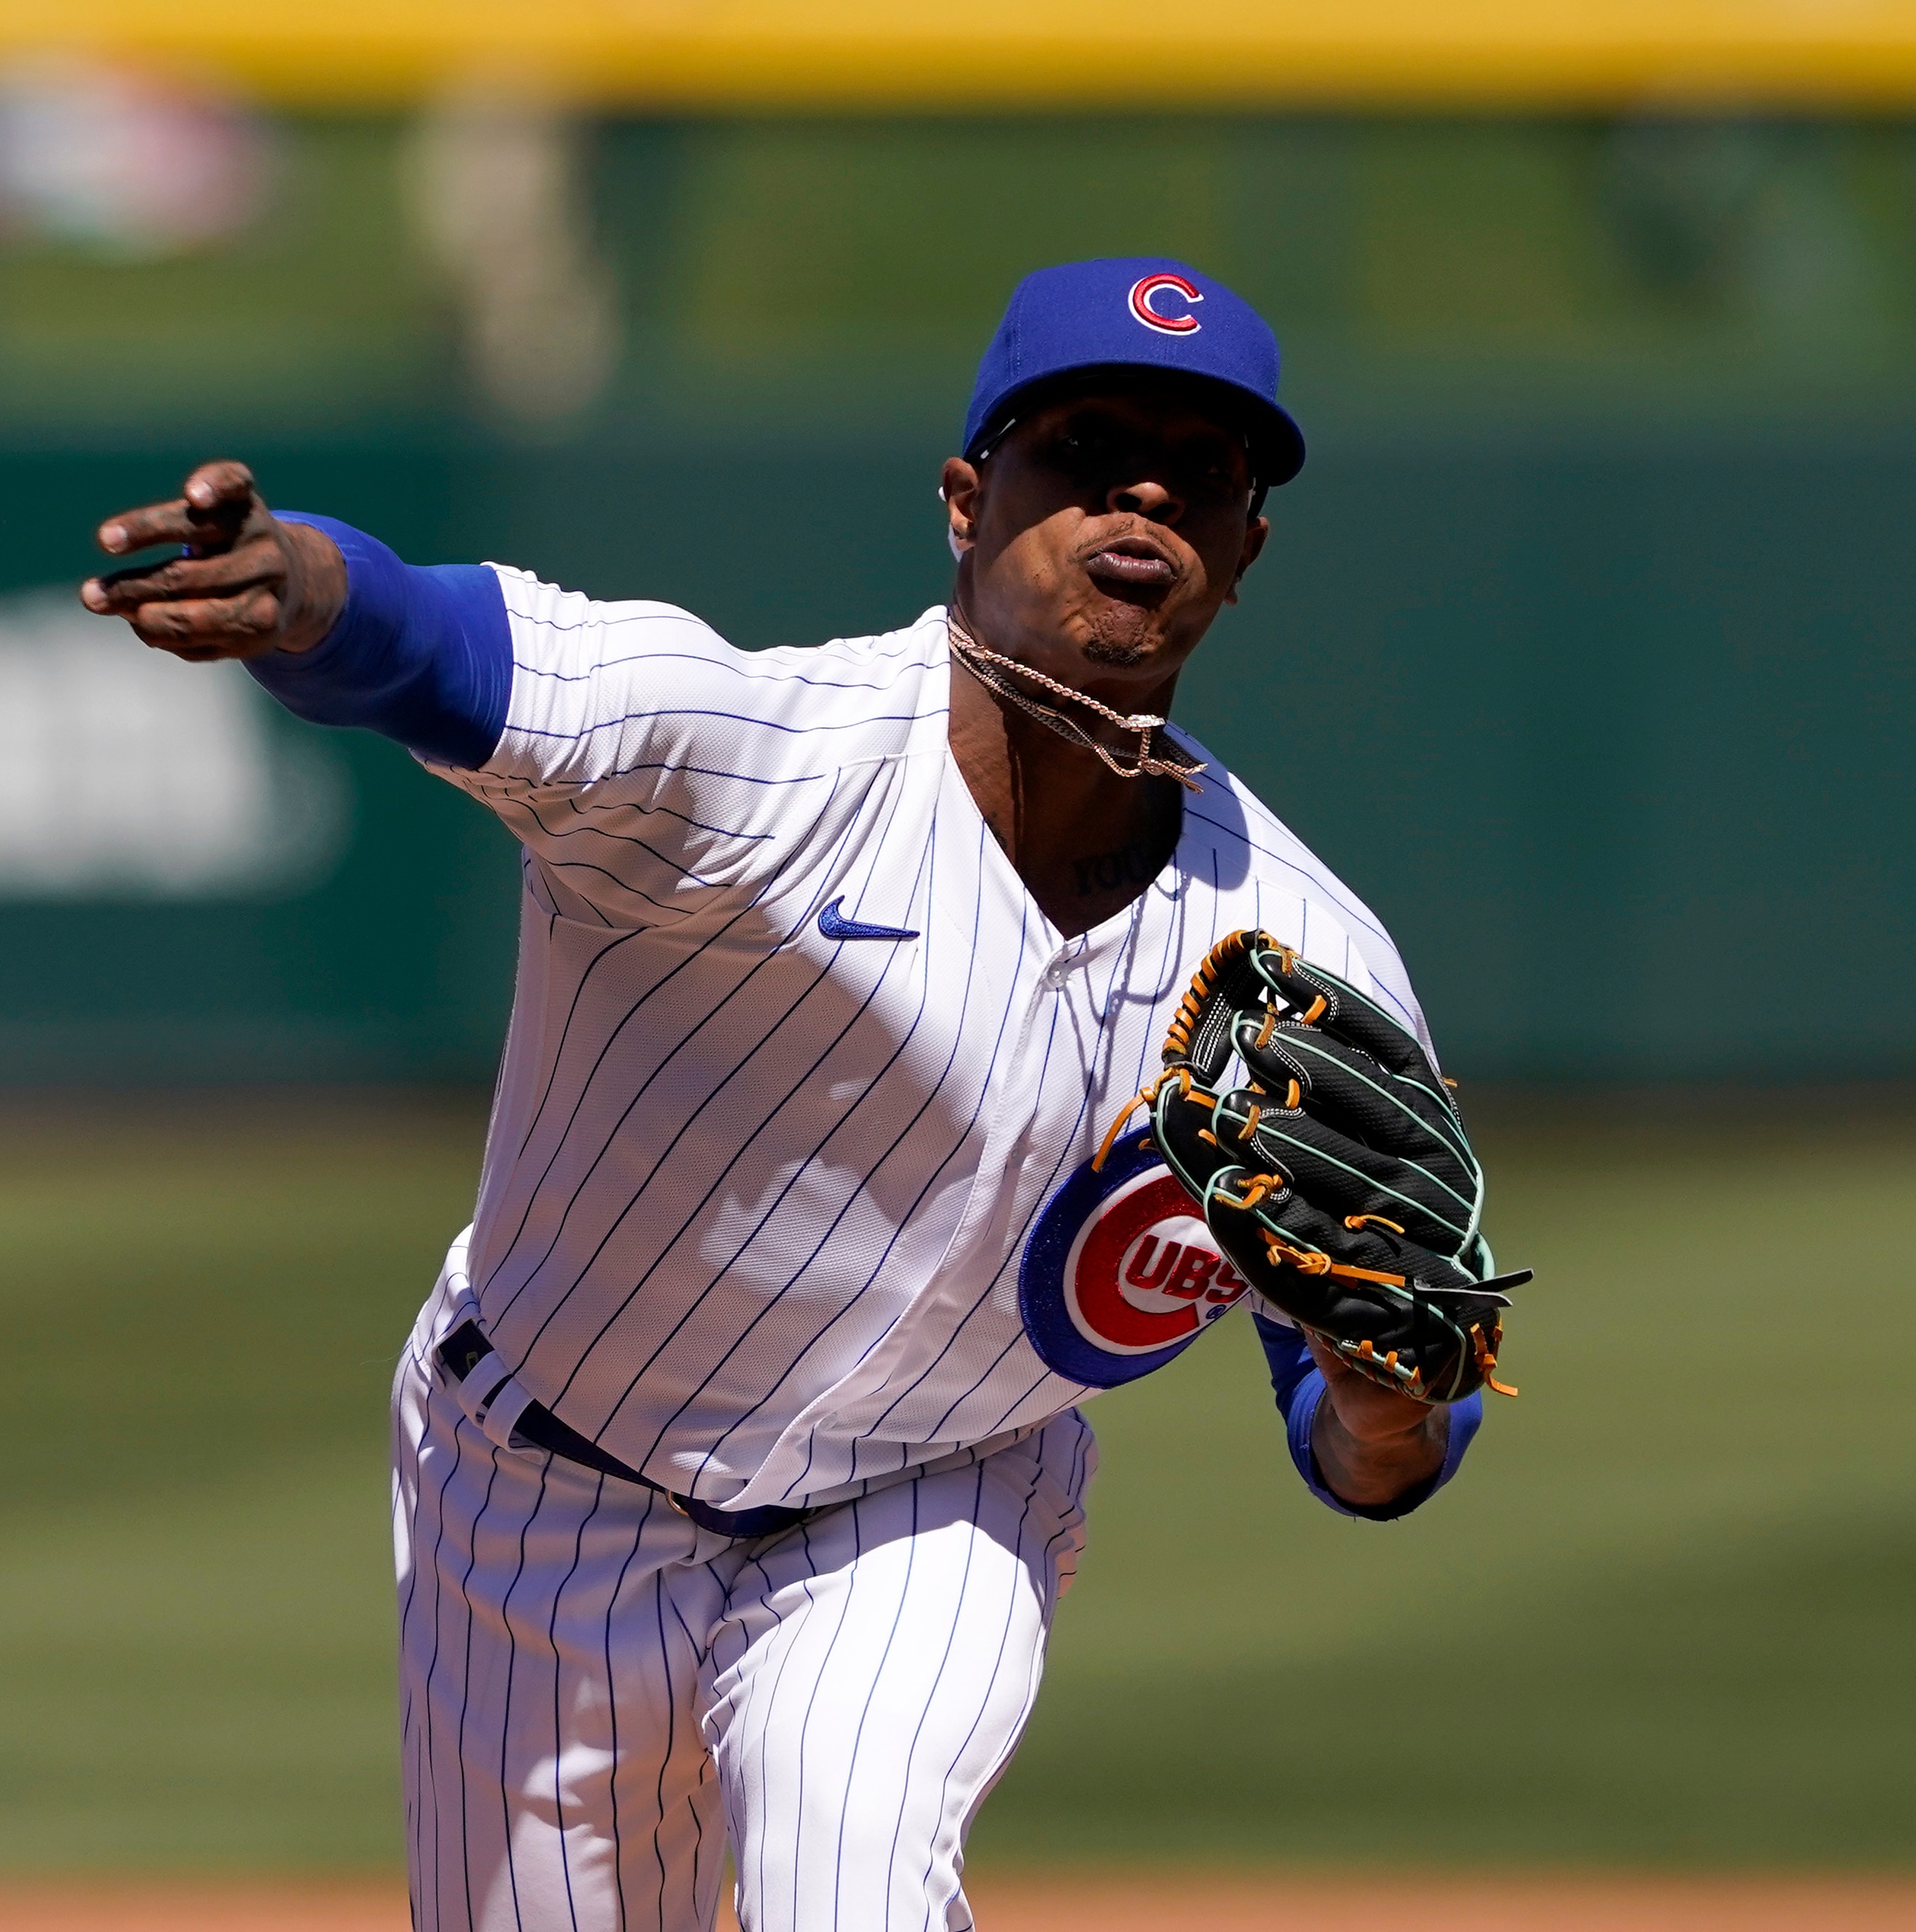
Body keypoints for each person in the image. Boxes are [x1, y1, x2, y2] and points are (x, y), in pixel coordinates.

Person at [80, 257, 1489, 1932]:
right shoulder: (763, 760)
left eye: (1204, 469)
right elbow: (464, 650)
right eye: (1086, 443)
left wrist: (1389, 1404)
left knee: (854, 1886)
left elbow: (1374, 1435)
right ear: (968, 500)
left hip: (936, 1497)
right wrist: (307, 588)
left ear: (1246, 548)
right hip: (541, 1488)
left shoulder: (1302, 961)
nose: (1145, 489)